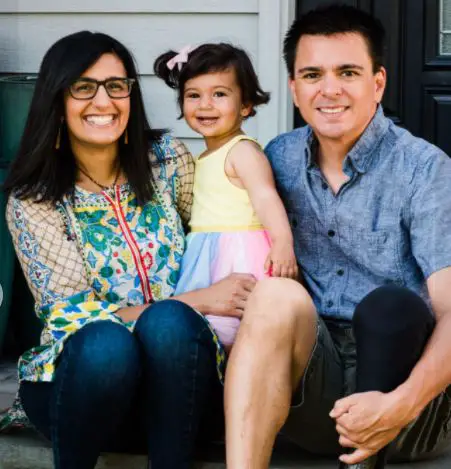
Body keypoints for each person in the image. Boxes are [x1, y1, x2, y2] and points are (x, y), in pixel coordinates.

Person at [0, 31, 261, 469]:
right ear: (56, 101)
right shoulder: (35, 200)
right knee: (106, 343)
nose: (103, 101)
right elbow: (71, 313)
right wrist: (198, 300)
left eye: (116, 86)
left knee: (171, 325)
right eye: (84, 87)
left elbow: (222, 226)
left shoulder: (166, 160)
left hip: (181, 388)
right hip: (88, 391)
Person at [223, 5, 451, 469]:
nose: (329, 90)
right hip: (315, 392)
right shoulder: (278, 159)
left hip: (408, 405)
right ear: (294, 88)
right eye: (312, 74)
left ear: (378, 83)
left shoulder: (426, 169)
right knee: (274, 295)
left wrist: (403, 402)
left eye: (348, 71)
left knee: (390, 303)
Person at [153, 43, 298, 350]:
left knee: (239, 325)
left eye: (219, 94)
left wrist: (283, 242)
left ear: (245, 105)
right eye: (194, 95)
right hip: (206, 249)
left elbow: (265, 197)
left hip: (239, 251)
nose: (205, 105)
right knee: (208, 330)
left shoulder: (242, 150)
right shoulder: (205, 155)